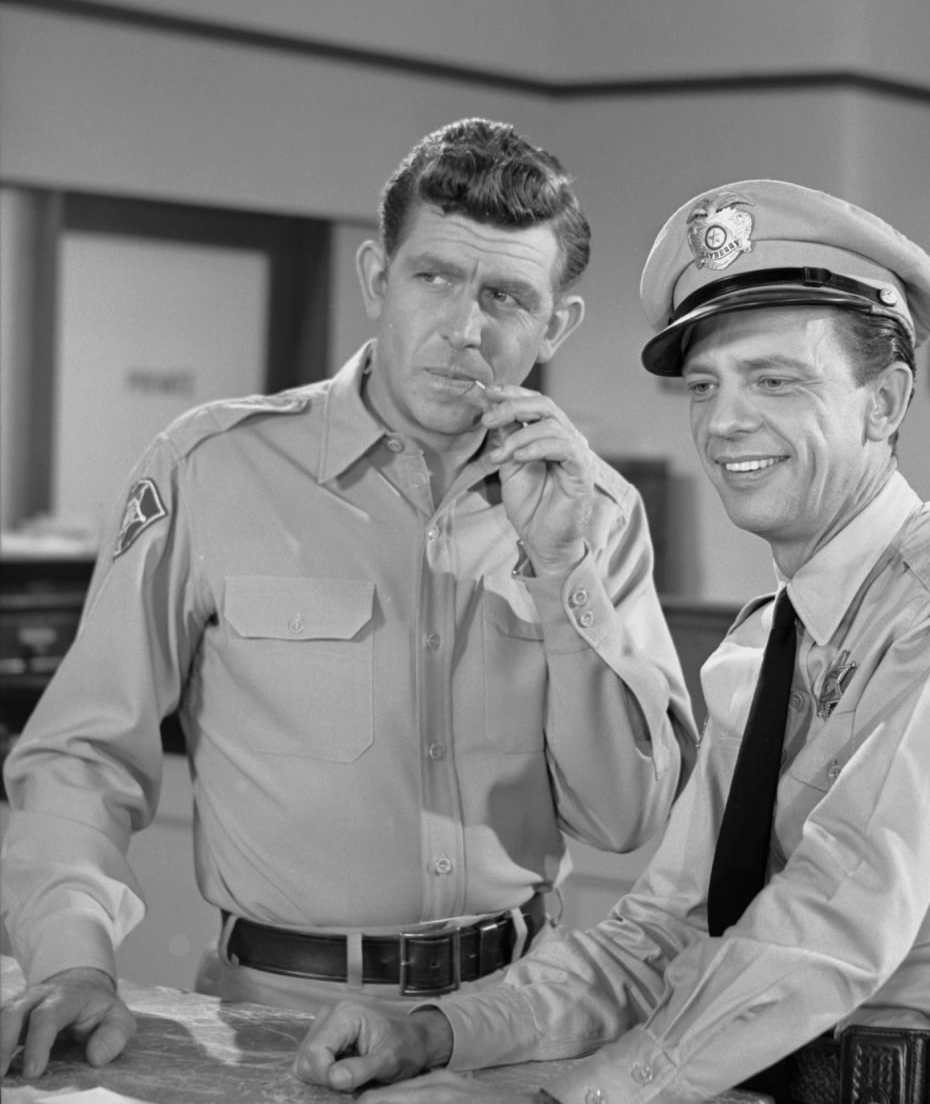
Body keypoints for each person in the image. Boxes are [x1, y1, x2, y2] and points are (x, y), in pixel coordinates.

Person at [291, 180, 930, 1104]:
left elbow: (836, 916)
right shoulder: (763, 647)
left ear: (882, 401)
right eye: (704, 385)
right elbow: (658, 939)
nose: (723, 423)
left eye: (774, 380)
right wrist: (437, 1033)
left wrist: (567, 1102)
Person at [0, 118, 698, 1079]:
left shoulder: (599, 514)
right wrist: (71, 960)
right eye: (434, 277)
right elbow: (82, 754)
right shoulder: (209, 468)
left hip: (514, 1028)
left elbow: (624, 818)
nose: (465, 327)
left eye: (505, 296)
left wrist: (562, 569)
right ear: (377, 278)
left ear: (555, 325)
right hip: (274, 1026)